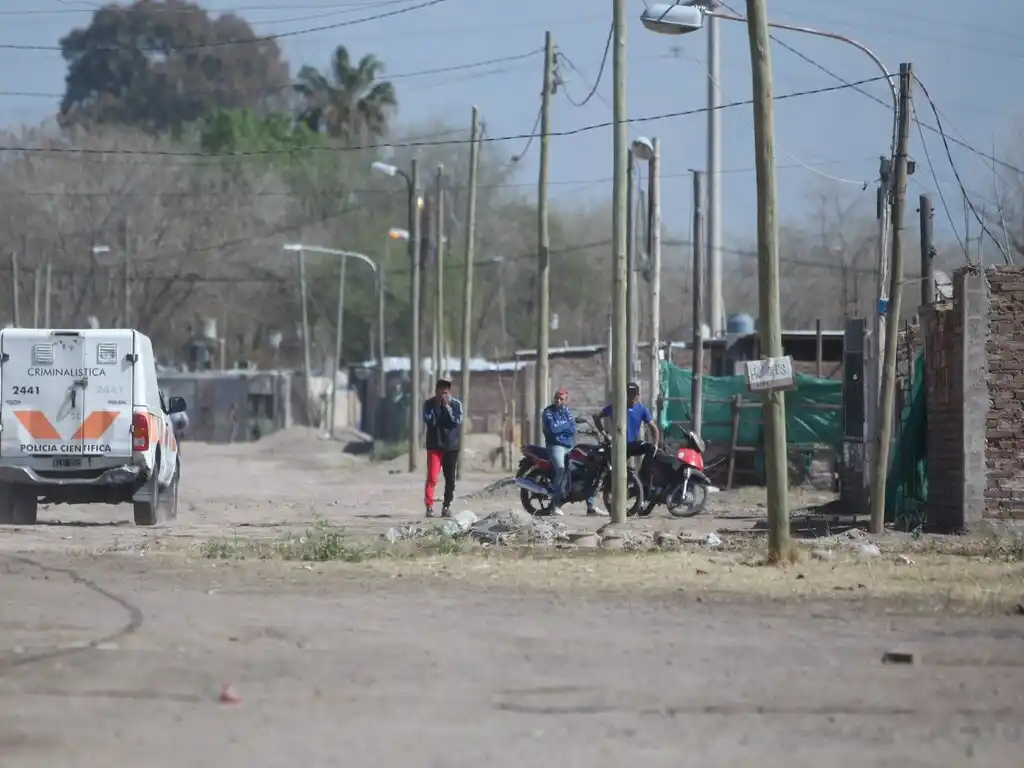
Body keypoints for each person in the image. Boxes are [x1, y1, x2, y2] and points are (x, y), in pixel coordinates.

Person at [541, 390, 607, 517]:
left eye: (561, 399)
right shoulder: (548, 412)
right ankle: (555, 505)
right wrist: (565, 428)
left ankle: (591, 506)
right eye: (556, 398)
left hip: (568, 446)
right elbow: (553, 430)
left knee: (586, 469)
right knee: (561, 469)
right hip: (555, 446)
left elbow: (572, 428)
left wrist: (564, 428)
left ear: (566, 400)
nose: (558, 401)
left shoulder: (567, 412)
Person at [594, 381, 661, 483]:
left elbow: (654, 428)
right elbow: (596, 416)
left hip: (631, 445)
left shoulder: (642, 409)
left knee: (651, 448)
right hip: (617, 445)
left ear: (638, 395)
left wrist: (656, 444)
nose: (632, 397)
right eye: (629, 394)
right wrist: (605, 434)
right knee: (611, 475)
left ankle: (642, 475)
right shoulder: (617, 407)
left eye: (634, 395)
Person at [422, 378, 463, 518]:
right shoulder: (428, 404)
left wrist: (448, 408)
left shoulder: (456, 404)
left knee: (450, 478)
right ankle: (429, 506)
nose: (444, 391)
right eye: (441, 388)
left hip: (451, 446)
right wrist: (437, 407)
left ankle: (446, 506)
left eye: (446, 388)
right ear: (436, 390)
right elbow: (428, 420)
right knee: (432, 477)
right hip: (434, 445)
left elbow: (456, 421)